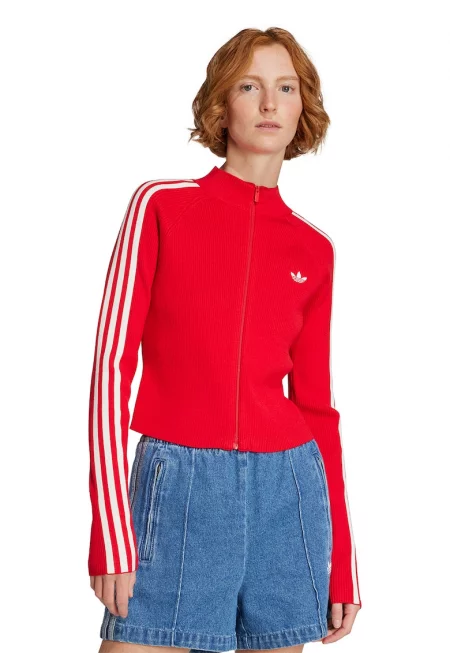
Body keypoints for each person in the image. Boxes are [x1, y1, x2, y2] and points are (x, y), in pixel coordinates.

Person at [88, 26, 362, 653]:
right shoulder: (161, 206)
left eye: (285, 88)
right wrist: (111, 528)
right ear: (221, 103)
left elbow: (318, 408)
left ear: (302, 108)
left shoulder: (313, 249)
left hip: (287, 493)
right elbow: (110, 368)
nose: (269, 103)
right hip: (180, 484)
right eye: (249, 86)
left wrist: (341, 561)